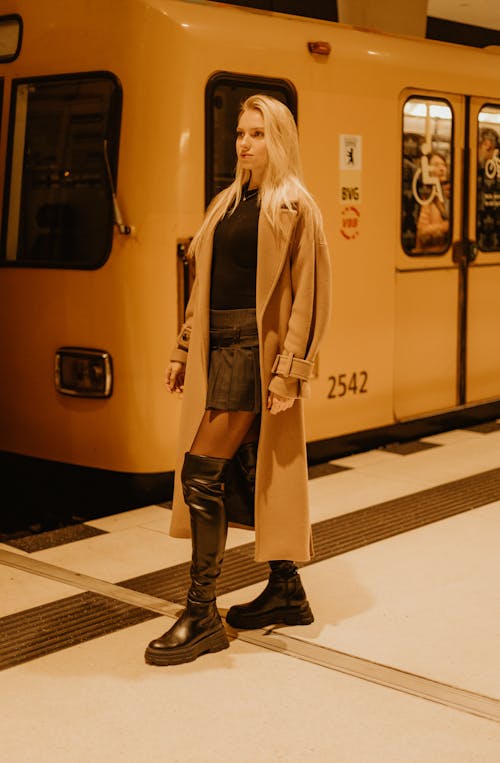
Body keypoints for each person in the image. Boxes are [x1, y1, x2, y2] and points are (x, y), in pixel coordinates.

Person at [145, 94, 331, 666]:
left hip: (255, 354)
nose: (244, 143)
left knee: (200, 474)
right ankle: (286, 590)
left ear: (279, 141)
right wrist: (181, 348)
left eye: (257, 134)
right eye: (241, 134)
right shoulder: (227, 202)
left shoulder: (296, 206)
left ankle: (201, 613)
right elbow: (205, 287)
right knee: (245, 472)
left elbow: (309, 298)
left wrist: (288, 373)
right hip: (214, 348)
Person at [415, 152, 450, 252]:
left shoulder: (450, 196)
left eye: (443, 165)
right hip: (431, 256)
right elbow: (422, 233)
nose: (441, 168)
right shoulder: (425, 197)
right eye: (436, 165)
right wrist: (445, 227)